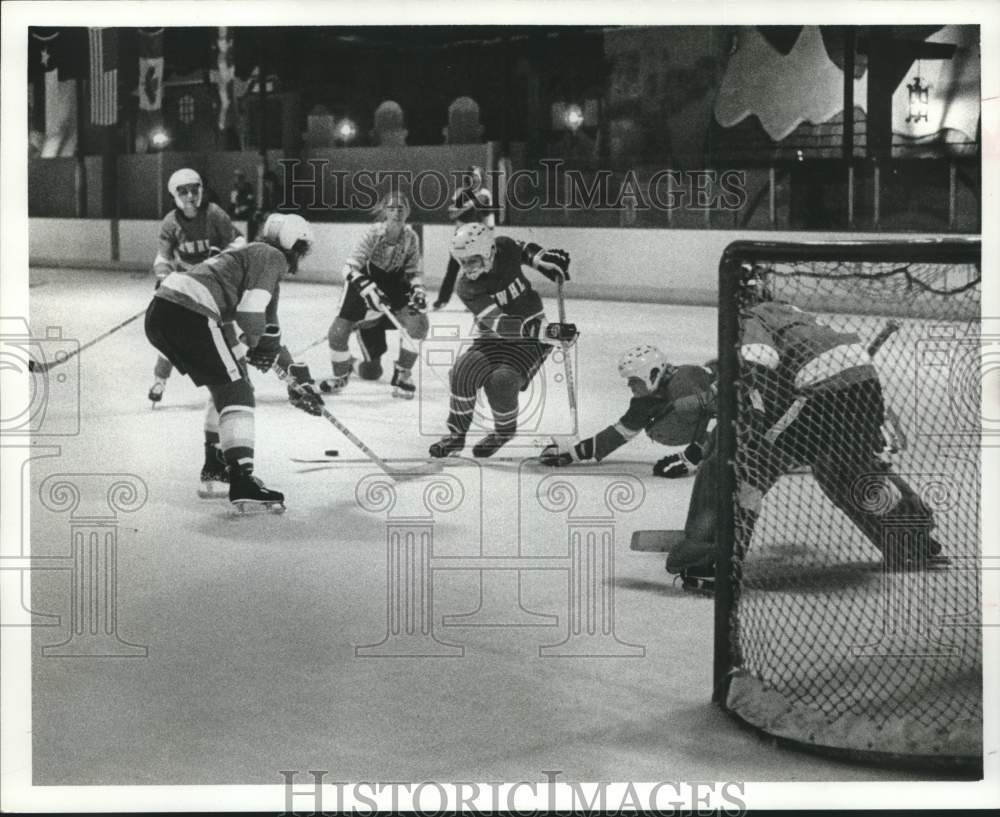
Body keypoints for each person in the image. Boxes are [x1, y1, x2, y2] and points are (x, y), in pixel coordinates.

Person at [663, 264, 947, 589]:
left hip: (821, 395)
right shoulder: (790, 312)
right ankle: (912, 537)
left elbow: (759, 366)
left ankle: (714, 560)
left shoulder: (750, 317)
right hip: (864, 386)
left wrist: (735, 420)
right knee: (844, 470)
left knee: (745, 473)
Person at [144, 213, 323, 511]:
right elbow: (252, 316)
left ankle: (216, 467)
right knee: (238, 392)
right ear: (293, 243)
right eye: (301, 250)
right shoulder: (272, 256)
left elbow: (268, 330)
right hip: (192, 312)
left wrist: (295, 377)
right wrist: (257, 345)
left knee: (230, 383)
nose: (300, 258)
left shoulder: (250, 255)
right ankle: (242, 479)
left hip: (165, 313)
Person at [428, 222, 576, 459]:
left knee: (502, 381)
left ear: (488, 251)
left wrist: (544, 259)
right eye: (462, 261)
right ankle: (456, 436)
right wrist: (549, 332)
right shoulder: (466, 287)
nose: (466, 268)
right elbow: (504, 326)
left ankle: (504, 432)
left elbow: (525, 250)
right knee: (463, 371)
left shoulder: (504, 247)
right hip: (498, 335)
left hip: (530, 339)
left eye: (472, 260)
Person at [147, 168, 246, 405]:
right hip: (187, 289)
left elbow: (239, 242)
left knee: (227, 332)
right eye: (184, 192)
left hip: (214, 286)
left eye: (195, 189)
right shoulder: (170, 222)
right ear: (174, 195)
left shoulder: (214, 214)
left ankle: (243, 379)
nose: (191, 196)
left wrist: (222, 256)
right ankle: (159, 382)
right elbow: (163, 257)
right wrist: (163, 276)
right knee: (173, 337)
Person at [538, 345, 716, 477]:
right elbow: (620, 433)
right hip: (709, 405)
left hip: (735, 395)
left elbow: (730, 410)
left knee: (686, 406)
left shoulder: (684, 383)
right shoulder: (647, 399)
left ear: (652, 374)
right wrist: (573, 453)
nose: (629, 384)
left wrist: (693, 455)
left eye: (634, 379)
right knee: (673, 415)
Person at [320, 191, 428, 399]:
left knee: (419, 323)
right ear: (384, 211)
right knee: (343, 339)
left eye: (401, 207)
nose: (397, 212)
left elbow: (413, 272)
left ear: (408, 211)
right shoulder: (373, 234)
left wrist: (418, 290)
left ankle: (403, 374)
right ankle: (342, 374)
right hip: (363, 286)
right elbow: (349, 268)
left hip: (394, 286)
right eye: (392, 208)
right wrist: (368, 289)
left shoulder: (410, 237)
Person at [434, 165, 494, 310]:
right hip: (461, 236)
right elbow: (451, 213)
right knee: (453, 268)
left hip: (477, 235)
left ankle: (476, 300)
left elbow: (487, 215)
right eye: (473, 176)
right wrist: (468, 205)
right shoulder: (460, 192)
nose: (475, 179)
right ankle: (442, 300)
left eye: (477, 177)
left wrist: (488, 236)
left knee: (478, 270)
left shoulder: (485, 193)